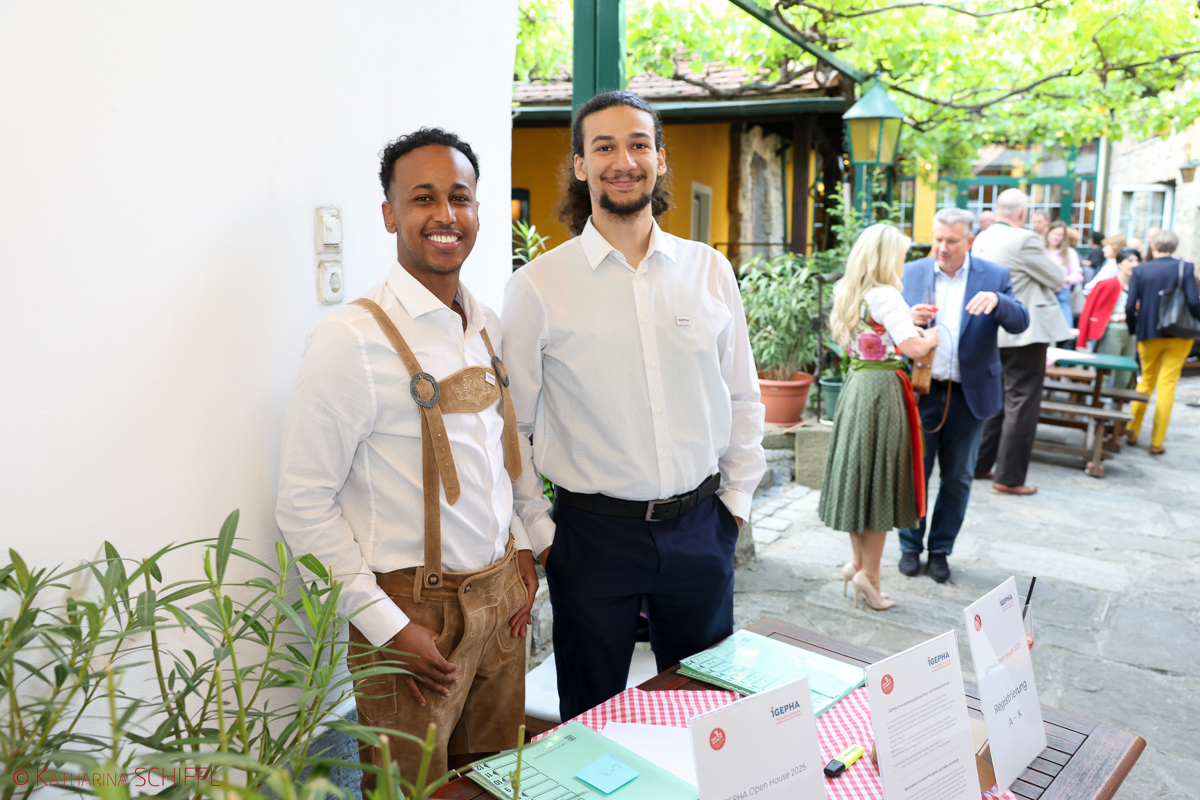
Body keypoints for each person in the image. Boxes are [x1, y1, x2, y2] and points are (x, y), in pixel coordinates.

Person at [275, 128, 538, 784]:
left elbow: (499, 451)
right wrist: (386, 627)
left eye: (460, 197)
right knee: (411, 790)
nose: (445, 214)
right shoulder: (349, 339)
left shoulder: (485, 325)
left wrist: (524, 547)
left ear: (478, 211)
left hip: (501, 601)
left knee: (496, 779)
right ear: (390, 214)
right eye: (423, 198)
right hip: (415, 617)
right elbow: (302, 504)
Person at [502, 91, 766, 721]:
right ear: (580, 165)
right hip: (592, 540)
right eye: (604, 147)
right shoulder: (538, 287)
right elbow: (513, 427)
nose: (623, 161)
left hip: (701, 529)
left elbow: (742, 396)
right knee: (589, 722)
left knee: (706, 717)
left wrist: (734, 507)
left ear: (660, 159)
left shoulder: (709, 271)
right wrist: (540, 533)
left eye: (638, 145)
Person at [898, 209, 1029, 583]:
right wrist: (906, 317)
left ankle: (940, 550)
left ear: (969, 241)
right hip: (922, 390)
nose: (942, 247)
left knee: (957, 478)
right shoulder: (913, 272)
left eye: (951, 241)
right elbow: (886, 325)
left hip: (970, 394)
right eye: (937, 239)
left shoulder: (994, 276)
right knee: (915, 474)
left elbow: (1020, 321)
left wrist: (998, 301)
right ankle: (910, 547)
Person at [819, 224, 938, 609]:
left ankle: (857, 565)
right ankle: (870, 577)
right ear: (887, 258)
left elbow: (866, 337)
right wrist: (933, 337)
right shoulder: (887, 295)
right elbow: (913, 348)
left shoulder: (848, 291)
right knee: (880, 483)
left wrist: (905, 318)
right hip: (883, 392)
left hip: (857, 386)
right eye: (900, 255)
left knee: (861, 480)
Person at [972, 188, 1068, 496]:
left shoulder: (982, 237)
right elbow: (1057, 277)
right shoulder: (1024, 239)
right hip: (1024, 331)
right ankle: (1009, 477)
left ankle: (980, 463)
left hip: (992, 329)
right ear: (1023, 213)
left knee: (997, 400)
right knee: (1022, 402)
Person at [1124, 229, 1200, 454]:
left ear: (1153, 247)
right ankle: (1156, 442)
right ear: (1174, 247)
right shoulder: (1185, 267)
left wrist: (1134, 328)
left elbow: (1130, 305)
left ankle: (1131, 432)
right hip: (1179, 334)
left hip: (1148, 333)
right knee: (1167, 386)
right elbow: (1194, 302)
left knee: (1145, 382)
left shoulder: (1141, 270)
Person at [1076, 247, 1141, 390]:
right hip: (1112, 330)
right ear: (1119, 264)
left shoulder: (1139, 286)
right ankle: (1096, 403)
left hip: (1131, 332)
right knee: (1104, 373)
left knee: (1125, 375)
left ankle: (1116, 403)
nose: (1134, 264)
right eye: (1130, 261)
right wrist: (1118, 318)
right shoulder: (1107, 284)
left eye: (1137, 261)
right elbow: (1089, 311)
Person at [1046, 220, 1083, 330]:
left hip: (1062, 293)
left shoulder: (1069, 253)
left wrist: (1063, 280)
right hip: (1043, 293)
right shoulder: (1041, 250)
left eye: (1060, 235)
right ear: (1048, 233)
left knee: (1066, 328)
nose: (1056, 237)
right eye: (1054, 233)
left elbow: (1078, 275)